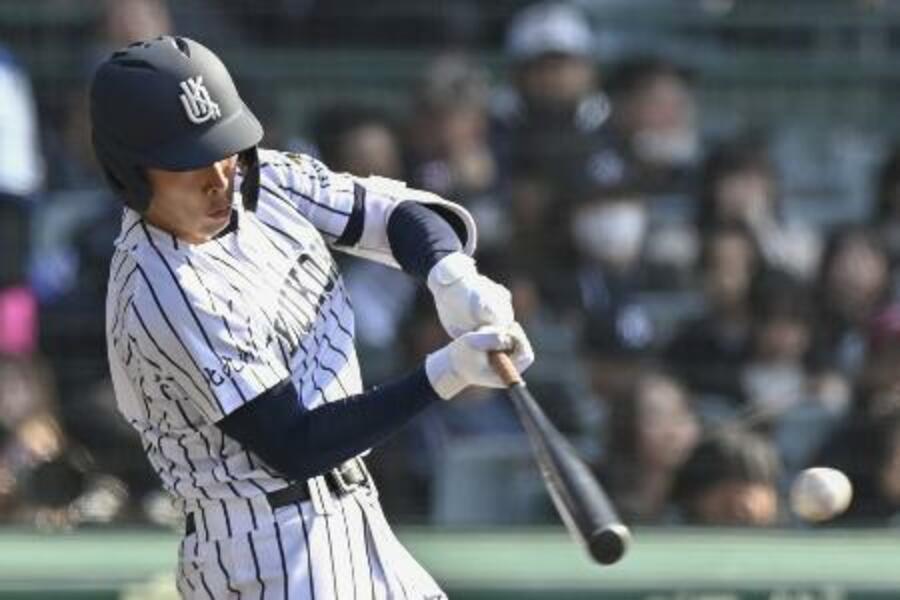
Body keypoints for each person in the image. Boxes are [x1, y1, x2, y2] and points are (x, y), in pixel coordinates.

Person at [91, 37, 534, 598]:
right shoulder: (164, 287)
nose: (220, 179)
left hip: (353, 514)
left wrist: (451, 276)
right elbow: (294, 444)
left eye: (224, 149)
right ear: (131, 174)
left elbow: (395, 213)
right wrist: (446, 372)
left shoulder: (261, 180)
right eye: (190, 164)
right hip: (267, 549)